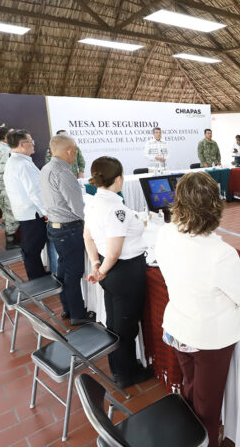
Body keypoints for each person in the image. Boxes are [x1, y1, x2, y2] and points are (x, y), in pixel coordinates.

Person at [156, 171, 240, 447]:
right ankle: (205, 441)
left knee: (190, 388)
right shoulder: (220, 253)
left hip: (178, 326)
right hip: (210, 338)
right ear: (215, 206)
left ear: (179, 203)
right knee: (207, 408)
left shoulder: (165, 233)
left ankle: (188, 437)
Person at [83, 156, 153, 389]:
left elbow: (88, 236)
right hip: (124, 271)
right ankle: (126, 374)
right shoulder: (115, 209)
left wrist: (95, 264)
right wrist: (101, 271)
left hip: (109, 269)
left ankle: (119, 367)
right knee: (126, 325)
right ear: (119, 179)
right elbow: (114, 252)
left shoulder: (93, 202)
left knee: (114, 322)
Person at [40, 135, 94, 325]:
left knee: (63, 270)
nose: (76, 154)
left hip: (55, 226)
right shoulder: (63, 172)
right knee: (73, 272)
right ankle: (78, 314)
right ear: (70, 150)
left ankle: (68, 309)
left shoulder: (46, 168)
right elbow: (77, 207)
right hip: (69, 229)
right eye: (76, 150)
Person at [3, 129, 48, 280]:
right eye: (31, 142)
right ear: (22, 145)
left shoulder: (14, 161)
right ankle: (37, 280)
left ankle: (39, 275)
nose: (33, 145)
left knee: (32, 247)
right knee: (32, 248)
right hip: (32, 212)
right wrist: (46, 211)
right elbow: (35, 192)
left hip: (24, 211)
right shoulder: (22, 164)